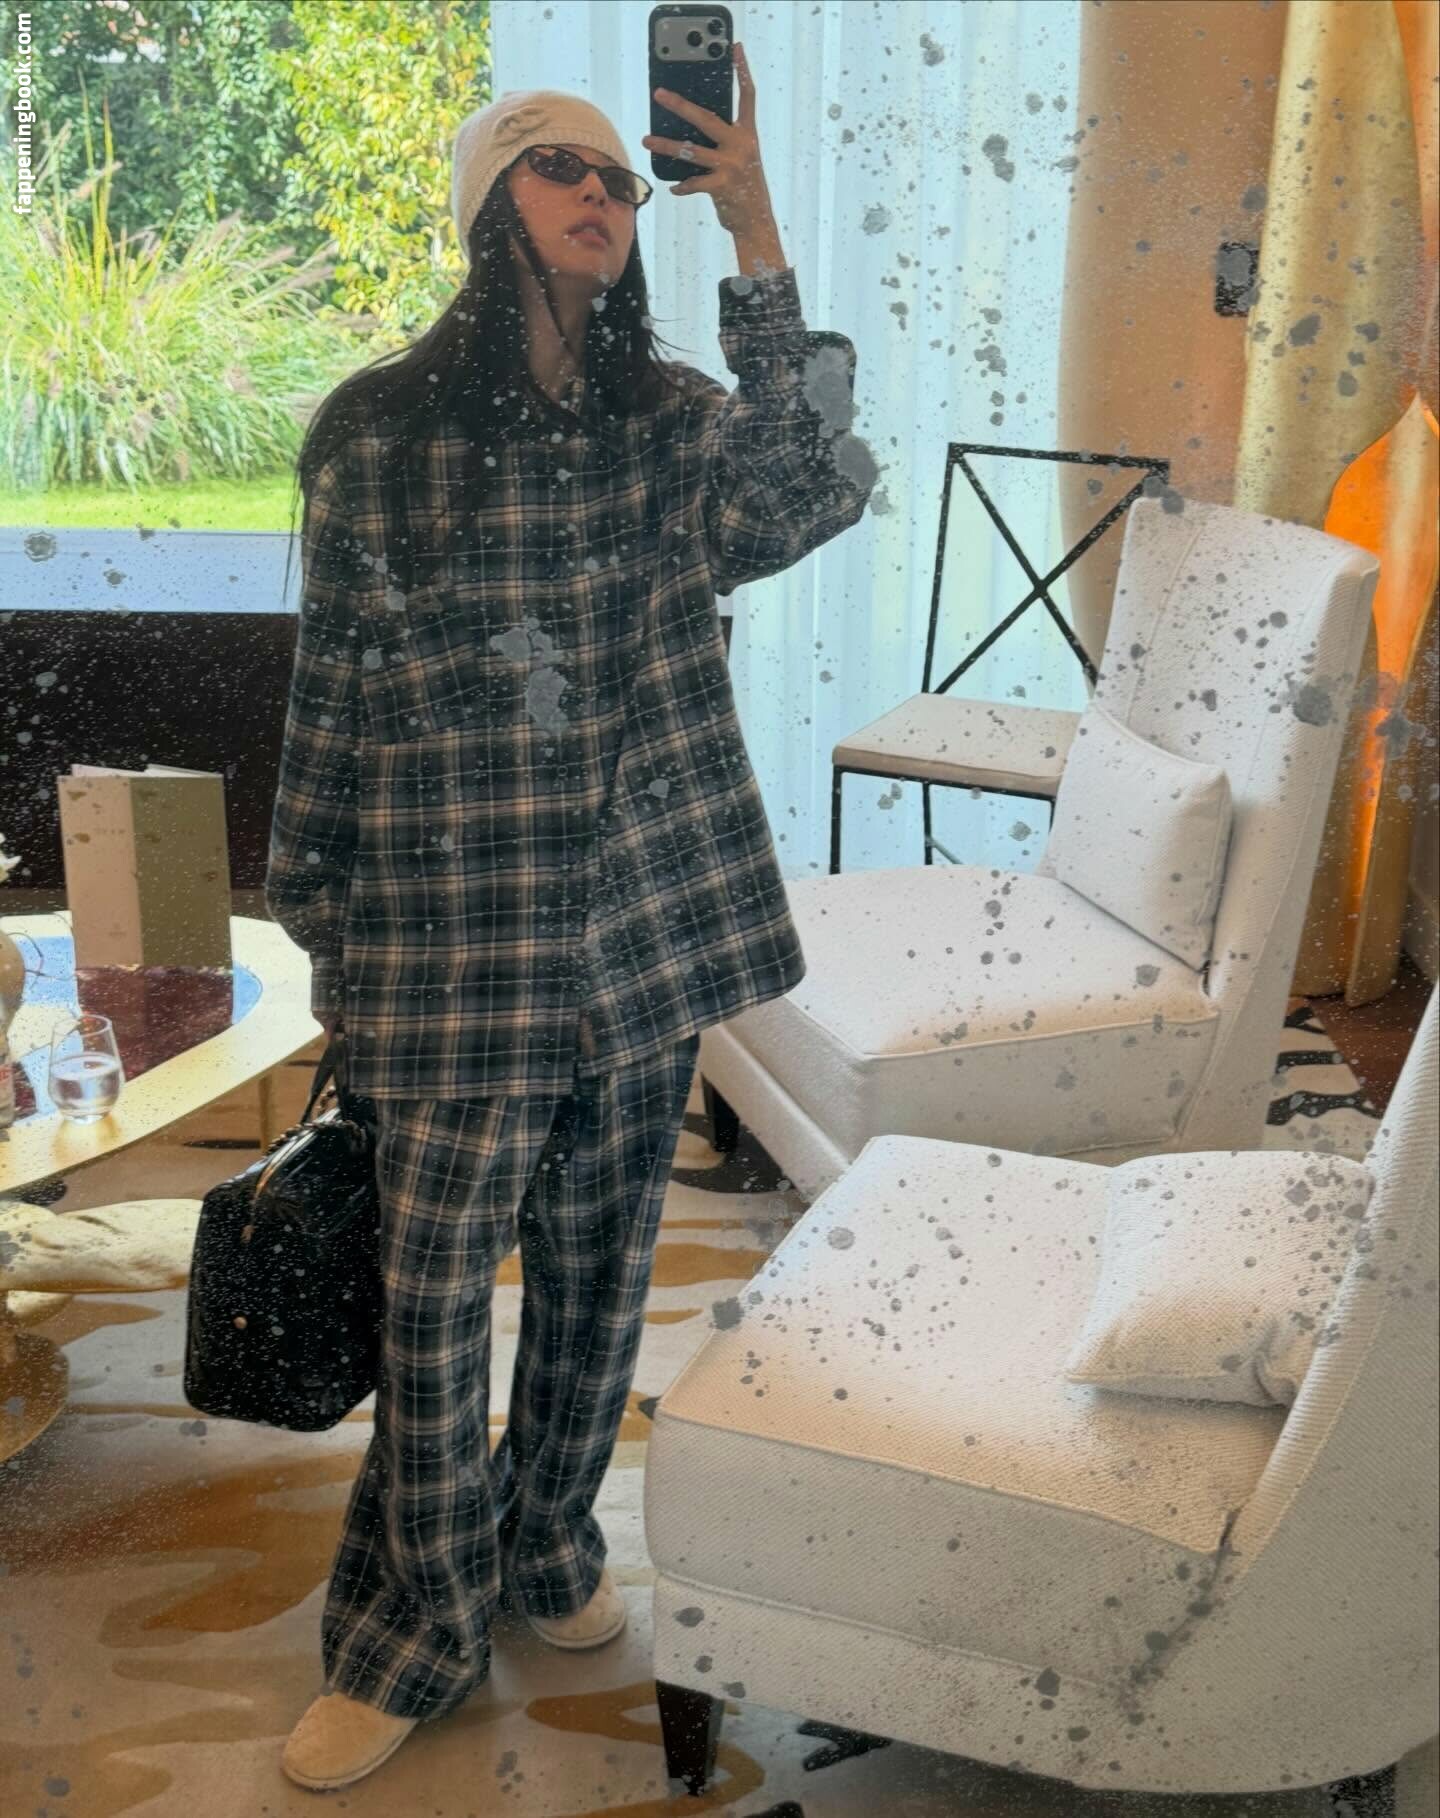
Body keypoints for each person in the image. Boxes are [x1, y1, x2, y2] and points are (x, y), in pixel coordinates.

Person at [268, 48, 876, 1793]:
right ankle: (411, 1623)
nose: (600, 193)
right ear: (489, 209)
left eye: (618, 178)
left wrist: (752, 222)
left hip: (636, 936)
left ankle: (546, 1545)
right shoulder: (379, 440)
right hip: (450, 939)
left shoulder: (674, 432)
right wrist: (320, 916)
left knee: (601, 1287)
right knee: (431, 1302)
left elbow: (813, 481)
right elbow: (335, 694)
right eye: (560, 168)